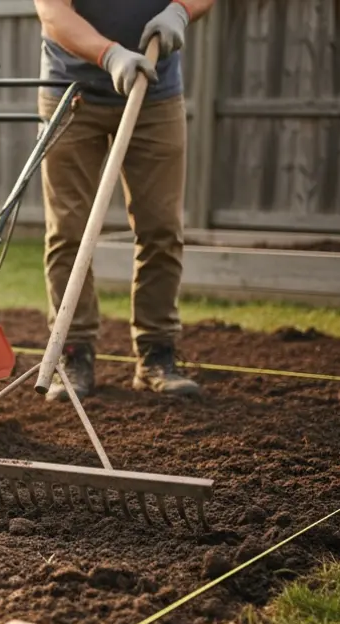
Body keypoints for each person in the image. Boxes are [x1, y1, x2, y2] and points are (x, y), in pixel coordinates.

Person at [33, 0, 216, 401]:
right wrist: (110, 54)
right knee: (68, 231)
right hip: (73, 93)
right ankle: (73, 352)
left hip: (154, 92)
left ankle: (157, 355)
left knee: (161, 228)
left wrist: (181, 10)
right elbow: (53, 13)